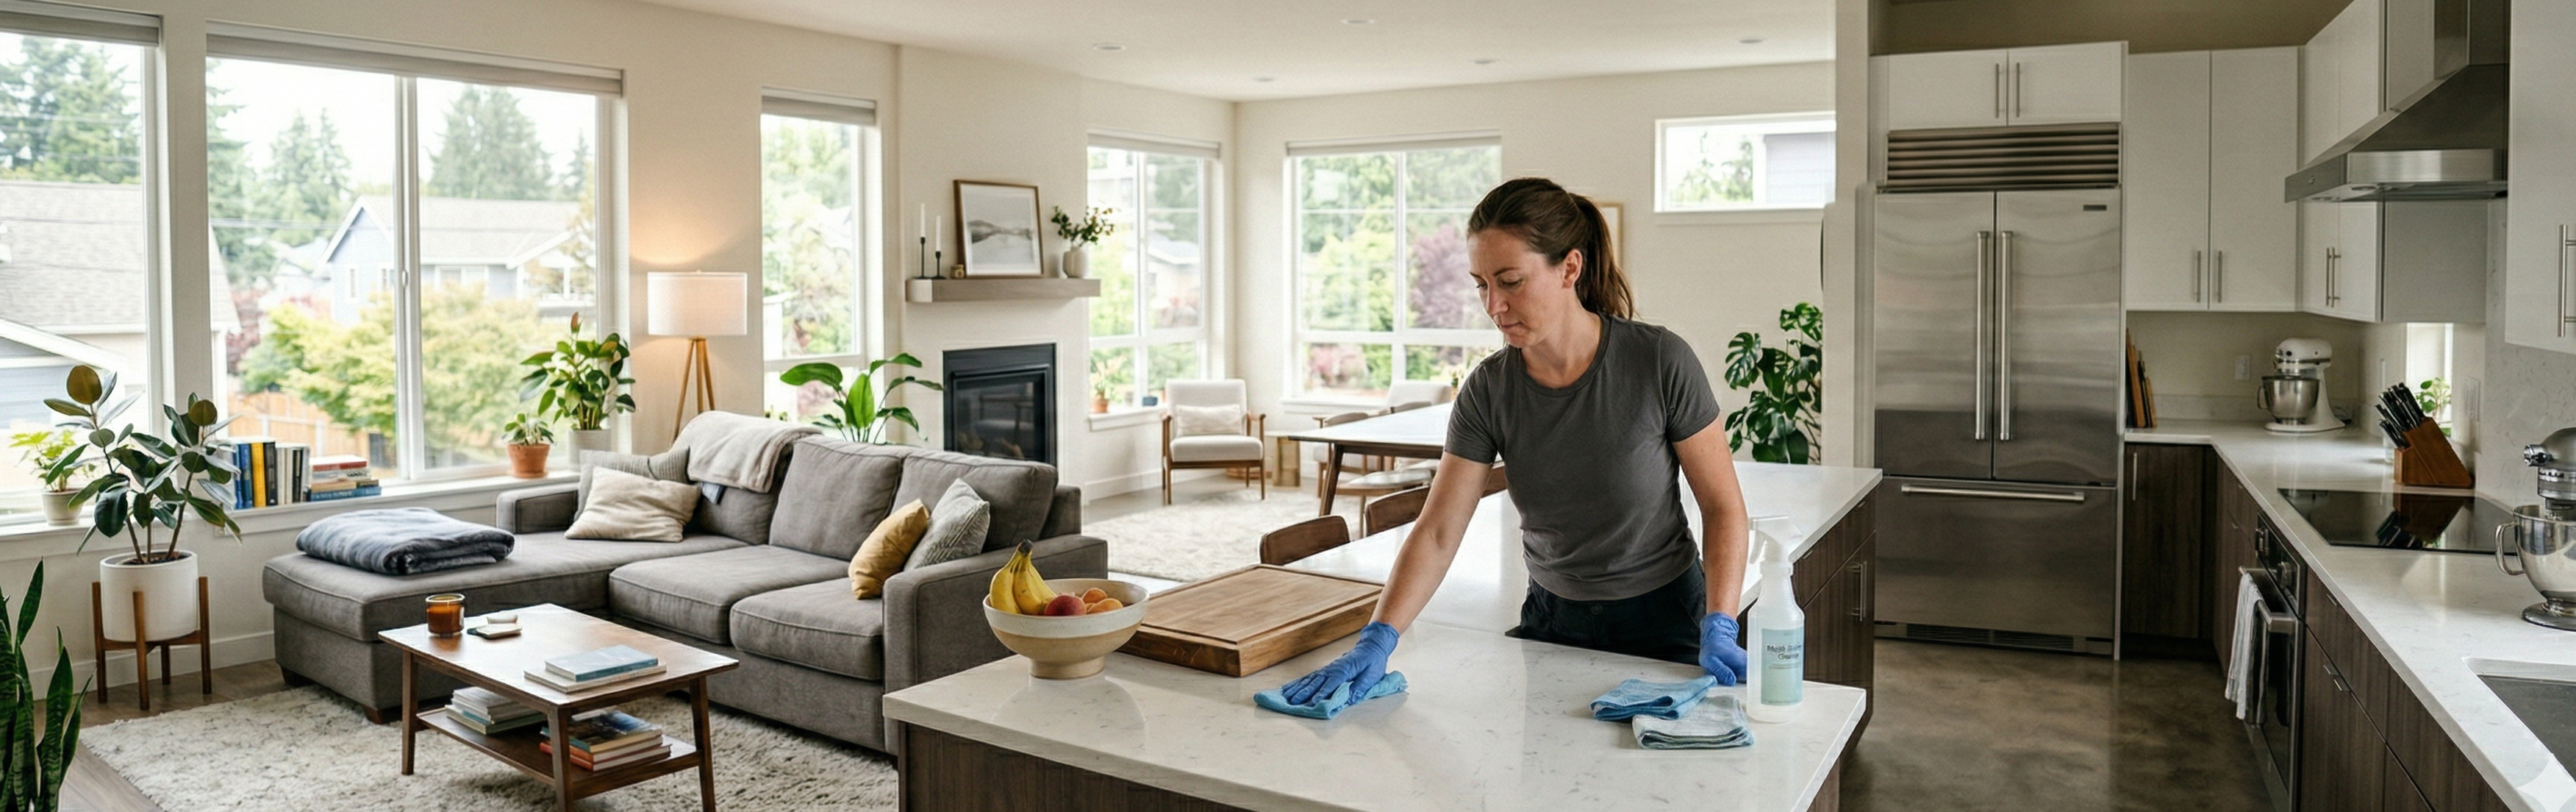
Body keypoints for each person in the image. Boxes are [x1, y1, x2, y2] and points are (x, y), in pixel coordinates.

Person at [1278, 177, 1753, 706]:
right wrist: (1378, 638)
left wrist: (1720, 622)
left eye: (1510, 281)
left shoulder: (1659, 361)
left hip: (1668, 621)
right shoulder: (1489, 390)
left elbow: (1723, 506)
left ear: (1569, 268)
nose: (1493, 305)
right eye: (1481, 284)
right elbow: (1438, 531)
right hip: (1553, 620)